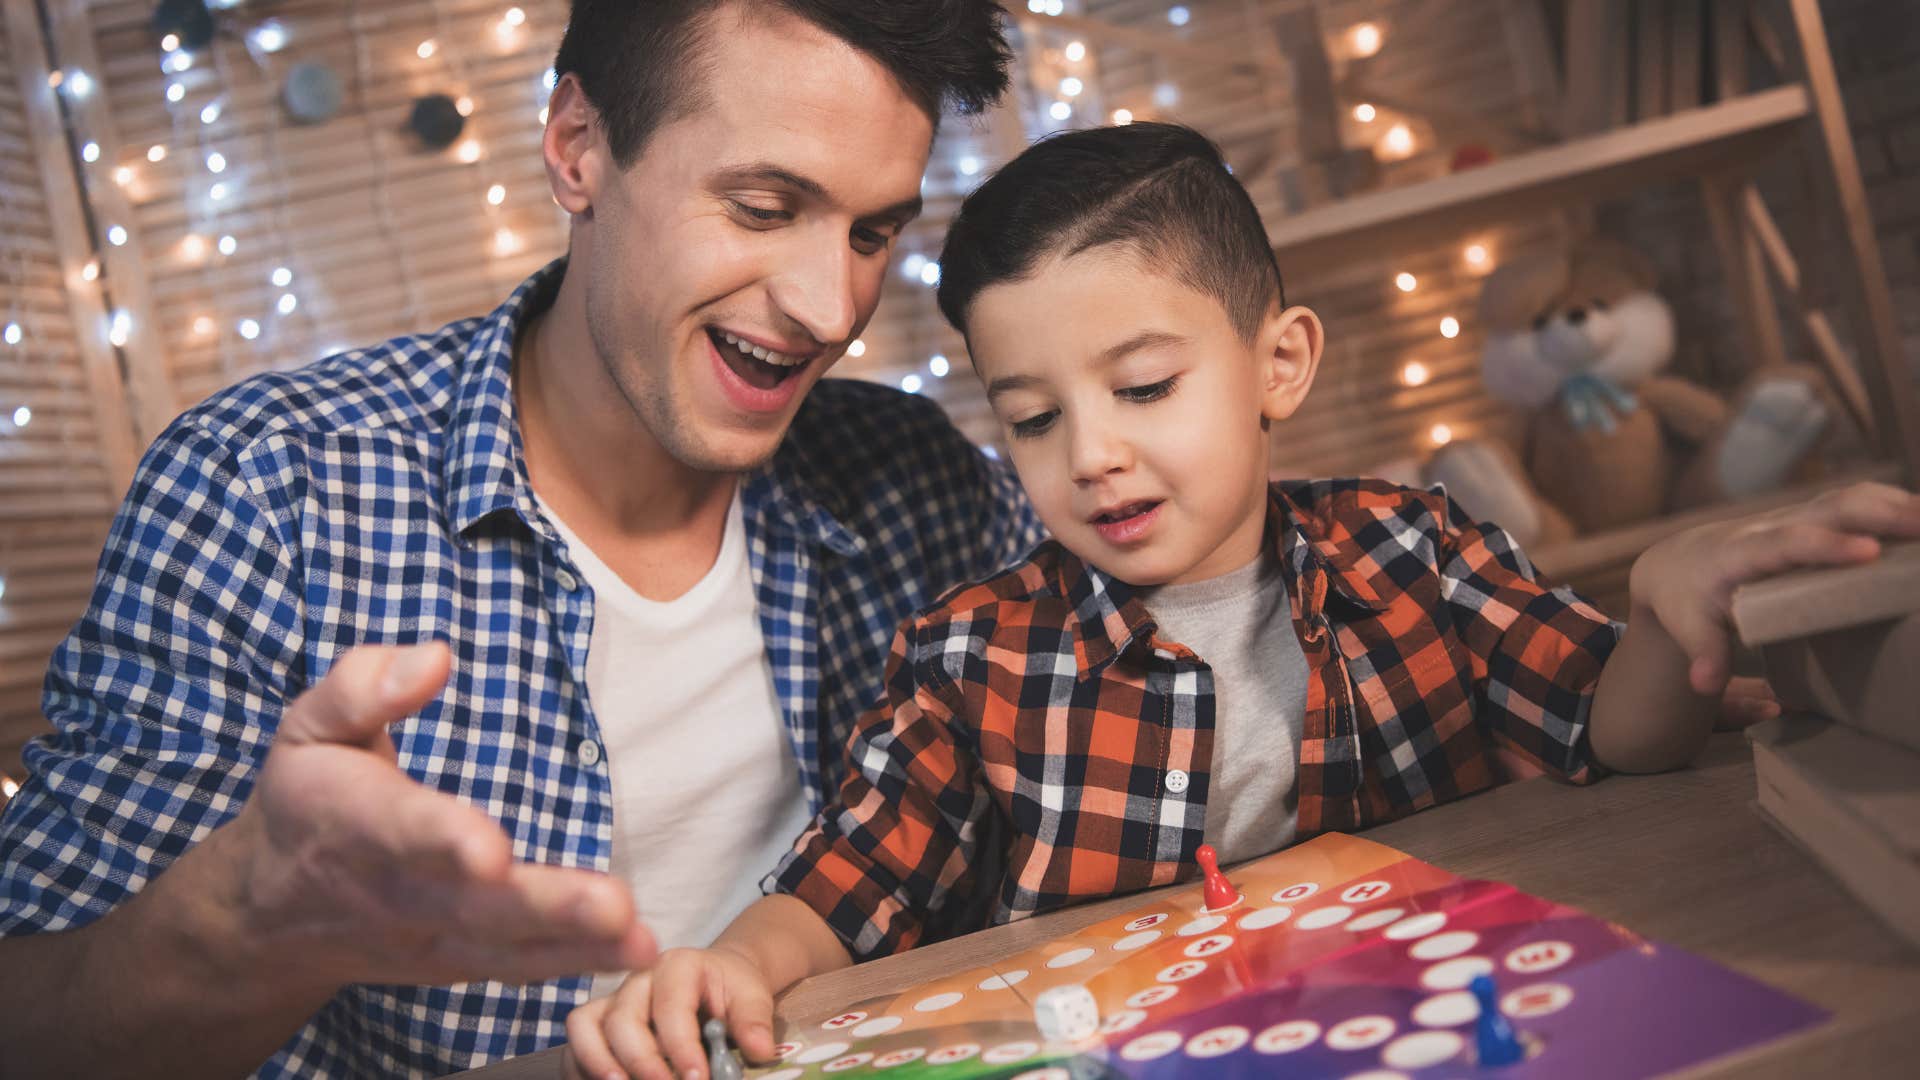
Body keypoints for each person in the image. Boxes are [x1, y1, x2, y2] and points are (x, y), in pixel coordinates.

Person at [566, 122, 1920, 1080]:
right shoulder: (968, 657)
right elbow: (842, 889)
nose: (1091, 454)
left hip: (1445, 1020)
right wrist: (732, 967)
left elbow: (1612, 728)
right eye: (1034, 419)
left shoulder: (1412, 553)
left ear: (1279, 363)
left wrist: (1676, 606)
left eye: (1144, 389)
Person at [0, 2, 1040, 1076]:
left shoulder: (921, 479)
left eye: (872, 233)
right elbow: (25, 1029)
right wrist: (255, 917)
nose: (831, 309)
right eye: (766, 208)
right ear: (578, 148)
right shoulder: (273, 490)